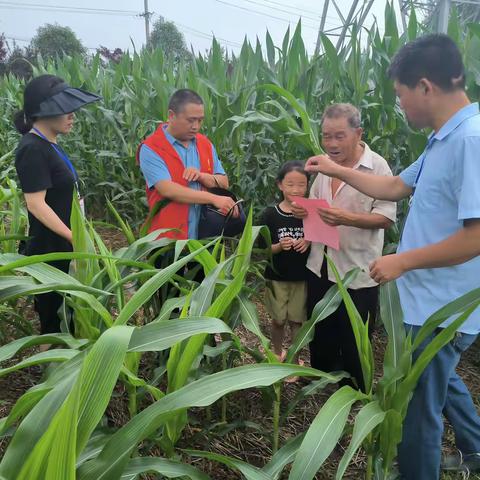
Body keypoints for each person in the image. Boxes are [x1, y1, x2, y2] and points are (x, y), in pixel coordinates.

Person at [303, 35, 480, 480]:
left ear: (424, 86)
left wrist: (401, 261)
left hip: (443, 305)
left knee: (417, 413)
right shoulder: (444, 139)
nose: (400, 106)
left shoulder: (471, 141)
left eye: (400, 96)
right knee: (431, 391)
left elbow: (476, 237)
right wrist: (335, 167)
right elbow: (395, 187)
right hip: (424, 302)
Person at [292, 103, 396, 391]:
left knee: (355, 336)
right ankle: (320, 383)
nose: (332, 144)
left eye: (339, 136)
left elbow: (386, 218)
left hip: (357, 271)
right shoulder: (324, 165)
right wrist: (306, 213)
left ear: (358, 132)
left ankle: (353, 394)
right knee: (322, 329)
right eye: (326, 136)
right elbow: (317, 202)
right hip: (320, 264)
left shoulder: (378, 168)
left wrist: (346, 218)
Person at [14, 74, 100, 339]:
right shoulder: (33, 148)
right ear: (44, 112)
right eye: (64, 108)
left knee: (69, 313)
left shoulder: (49, 144)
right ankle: (53, 374)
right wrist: (74, 237)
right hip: (50, 247)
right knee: (54, 319)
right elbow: (36, 204)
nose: (72, 114)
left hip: (63, 243)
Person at [138, 89, 237, 241]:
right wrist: (212, 198)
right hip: (167, 239)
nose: (196, 126)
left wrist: (202, 176)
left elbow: (223, 182)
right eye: (190, 120)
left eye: (200, 120)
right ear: (171, 115)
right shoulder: (151, 148)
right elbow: (168, 190)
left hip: (205, 237)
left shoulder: (205, 144)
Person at [260, 161, 311, 362]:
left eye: (301, 185)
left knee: (297, 322)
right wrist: (279, 246)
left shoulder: (310, 214)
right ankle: (276, 352)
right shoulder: (270, 215)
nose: (296, 190)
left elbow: (321, 240)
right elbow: (262, 250)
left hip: (302, 278)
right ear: (280, 185)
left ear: (308, 186)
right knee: (278, 320)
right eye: (290, 184)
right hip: (276, 278)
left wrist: (307, 240)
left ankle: (294, 357)